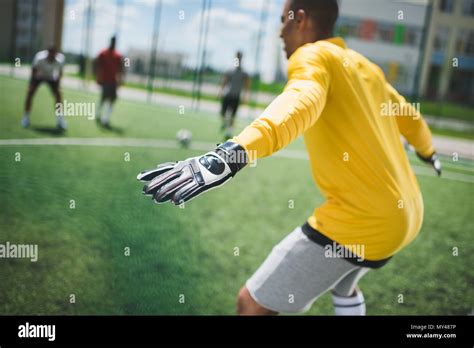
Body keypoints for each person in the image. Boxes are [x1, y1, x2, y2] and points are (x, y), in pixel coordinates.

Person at [137, 0, 442, 315]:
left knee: (252, 304)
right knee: (344, 282)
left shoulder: (312, 55)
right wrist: (429, 152)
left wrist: (231, 154)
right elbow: (410, 118)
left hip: (363, 220)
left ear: (301, 21)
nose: (280, 32)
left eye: (283, 21)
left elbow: (300, 102)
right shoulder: (366, 67)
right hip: (409, 214)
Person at [22, 46, 66, 130]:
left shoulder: (61, 59)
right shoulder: (39, 57)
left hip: (51, 77)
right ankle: (25, 117)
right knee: (30, 92)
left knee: (58, 95)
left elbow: (60, 73)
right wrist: (31, 84)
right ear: (47, 52)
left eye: (54, 53)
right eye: (51, 53)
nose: (52, 55)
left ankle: (60, 120)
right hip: (39, 76)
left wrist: (59, 86)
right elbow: (34, 70)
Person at [219, 51, 250, 138]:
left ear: (242, 58)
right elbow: (224, 81)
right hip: (227, 95)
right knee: (222, 113)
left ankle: (229, 132)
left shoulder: (244, 73)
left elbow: (247, 86)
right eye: (237, 57)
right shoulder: (229, 71)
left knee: (232, 116)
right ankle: (225, 123)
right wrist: (221, 91)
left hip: (236, 97)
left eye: (239, 57)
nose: (238, 59)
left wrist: (245, 96)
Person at [94, 36, 123, 128]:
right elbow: (96, 64)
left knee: (112, 100)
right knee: (103, 98)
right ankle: (98, 113)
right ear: (110, 42)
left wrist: (120, 80)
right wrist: (97, 77)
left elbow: (122, 67)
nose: (114, 43)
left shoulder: (118, 55)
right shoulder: (103, 53)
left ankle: (105, 118)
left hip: (113, 81)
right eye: (113, 41)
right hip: (104, 80)